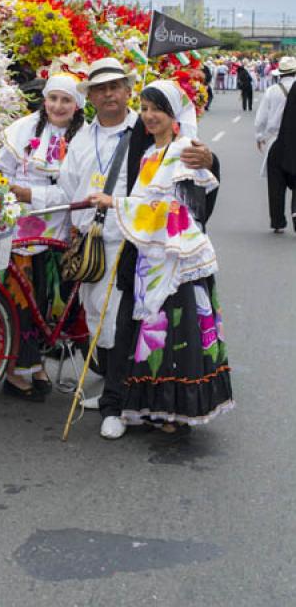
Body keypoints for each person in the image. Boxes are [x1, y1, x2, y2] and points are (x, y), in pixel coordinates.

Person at [21, 58, 218, 426]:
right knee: (98, 320)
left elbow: (185, 160)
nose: (108, 94)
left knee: (123, 324)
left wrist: (208, 157)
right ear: (91, 96)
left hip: (134, 246)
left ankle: (118, 403)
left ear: (128, 90)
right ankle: (117, 390)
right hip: (93, 247)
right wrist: (23, 195)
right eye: (99, 88)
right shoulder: (80, 137)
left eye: (115, 87)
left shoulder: (144, 128)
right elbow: (65, 192)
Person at [89, 80, 234, 439]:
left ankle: (178, 410)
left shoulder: (185, 150)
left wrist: (117, 206)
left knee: (176, 338)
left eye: (158, 109)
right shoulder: (148, 152)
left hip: (177, 261)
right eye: (146, 108)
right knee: (148, 337)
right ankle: (149, 405)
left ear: (175, 115)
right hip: (145, 257)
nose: (149, 116)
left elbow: (180, 211)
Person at [0, 71, 86, 400]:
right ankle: (14, 370)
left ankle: (34, 366)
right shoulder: (21, 129)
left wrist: (29, 194)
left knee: (46, 303)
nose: (58, 106)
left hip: (57, 229)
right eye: (53, 98)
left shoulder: (83, 139)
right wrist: (10, 192)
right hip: (18, 225)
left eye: (66, 100)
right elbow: (2, 170)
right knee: (19, 298)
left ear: (76, 105)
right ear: (44, 99)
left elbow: (74, 191)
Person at [255, 56, 296, 233]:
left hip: (275, 140)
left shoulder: (272, 91)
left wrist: (259, 136)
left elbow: (261, 117)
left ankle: (278, 222)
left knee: (276, 185)